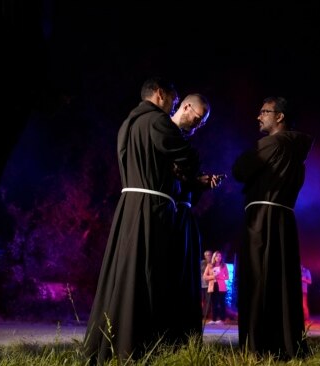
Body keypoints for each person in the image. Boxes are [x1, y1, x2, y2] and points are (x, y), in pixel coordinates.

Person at [84, 78, 212, 364]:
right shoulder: (158, 121)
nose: (174, 106)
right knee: (148, 276)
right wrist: (187, 168)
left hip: (128, 204)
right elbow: (188, 159)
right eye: (174, 100)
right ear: (159, 94)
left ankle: (111, 342)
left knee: (124, 275)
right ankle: (138, 344)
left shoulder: (127, 123)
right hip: (151, 208)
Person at [232, 96, 314, 358]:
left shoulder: (273, 143)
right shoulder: (295, 148)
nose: (259, 116)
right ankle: (285, 343)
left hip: (262, 219)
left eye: (264, 112)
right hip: (284, 219)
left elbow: (240, 169)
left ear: (280, 116)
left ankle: (257, 346)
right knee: (282, 281)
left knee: (257, 279)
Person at [169, 95, 223, 340]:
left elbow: (185, 180)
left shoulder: (186, 144)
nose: (199, 125)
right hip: (166, 211)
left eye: (203, 123)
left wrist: (201, 182)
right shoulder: (163, 132)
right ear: (186, 106)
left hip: (184, 214)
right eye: (198, 119)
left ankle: (182, 335)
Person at [203, 250, 229, 324]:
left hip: (221, 287)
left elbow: (227, 277)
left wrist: (220, 277)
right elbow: (204, 276)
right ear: (214, 257)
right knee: (214, 303)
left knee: (222, 303)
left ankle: (222, 319)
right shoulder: (209, 265)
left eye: (220, 256)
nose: (218, 257)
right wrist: (212, 276)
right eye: (217, 256)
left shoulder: (224, 265)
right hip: (213, 286)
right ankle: (214, 319)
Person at [200, 250, 213, 322]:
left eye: (209, 255)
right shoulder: (202, 262)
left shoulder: (213, 263)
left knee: (208, 300)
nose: (208, 256)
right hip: (201, 284)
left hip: (209, 285)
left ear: (211, 255)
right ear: (204, 256)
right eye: (206, 255)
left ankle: (205, 315)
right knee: (202, 300)